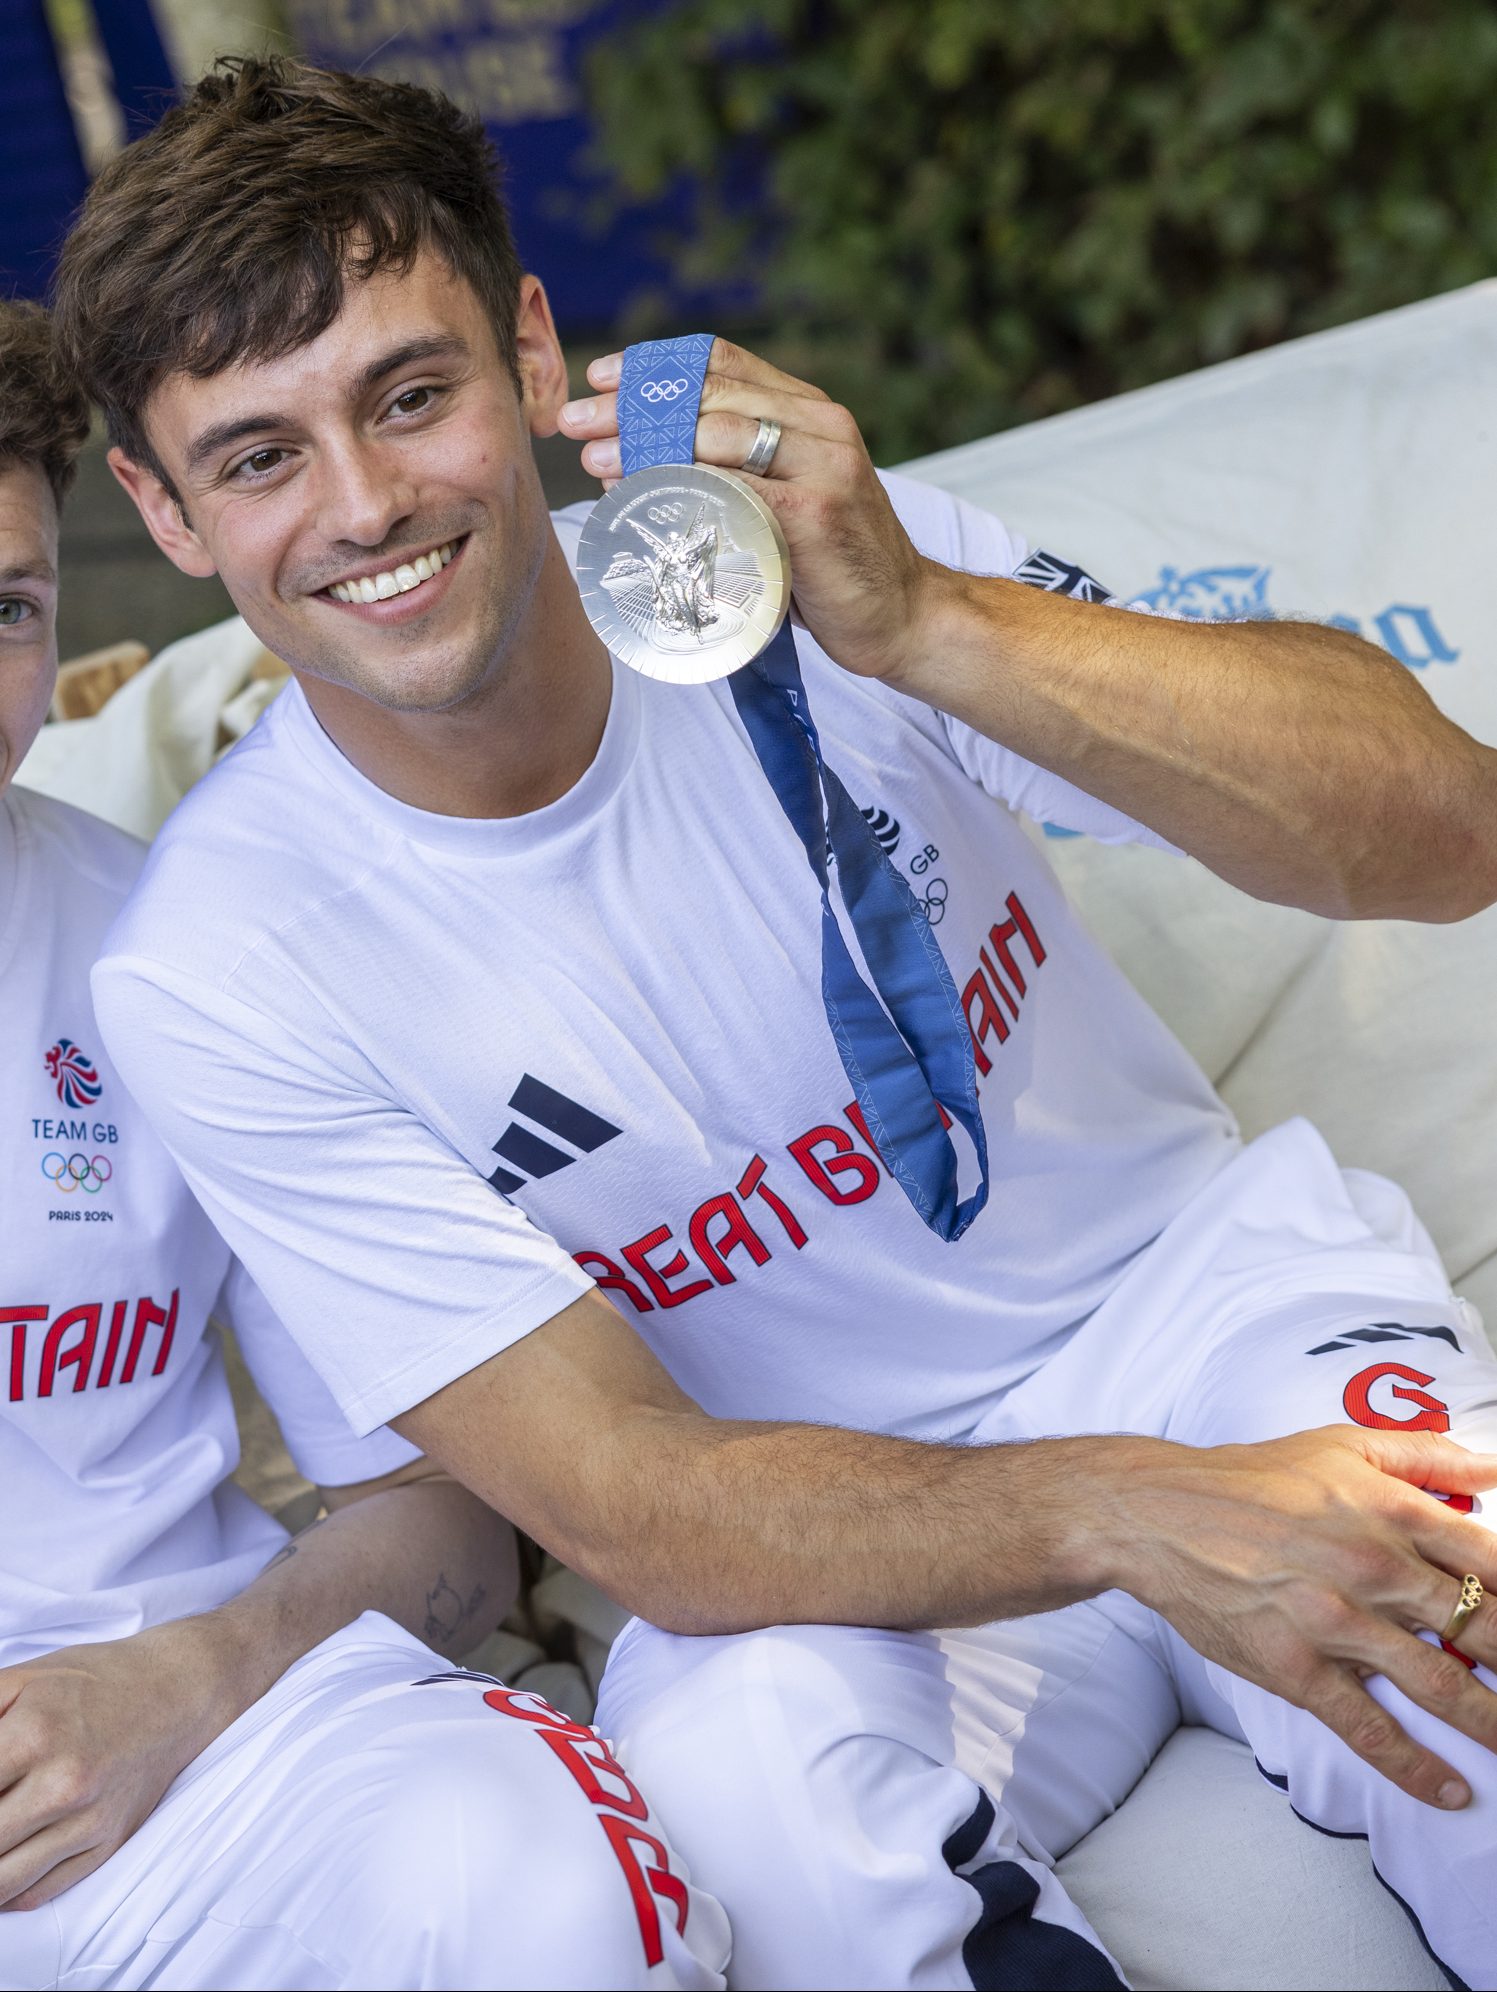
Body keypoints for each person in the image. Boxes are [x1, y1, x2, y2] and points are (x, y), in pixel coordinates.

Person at [53, 54, 1497, 1990]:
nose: (367, 504)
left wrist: (922, 624)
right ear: (156, 503)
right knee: (735, 1798)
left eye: (412, 394)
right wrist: (1142, 1521)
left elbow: (1436, 829)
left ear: (531, 347)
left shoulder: (799, 563)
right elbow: (632, 1507)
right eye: (258, 457)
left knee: (1468, 1620)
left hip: (1208, 1320)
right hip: (837, 1557)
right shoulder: (208, 967)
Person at [0, 298, 728, 1992]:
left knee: (567, 1893)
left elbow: (445, 1521)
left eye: (6, 608)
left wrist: (199, 1674)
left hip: (187, 1757)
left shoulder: (171, 959)